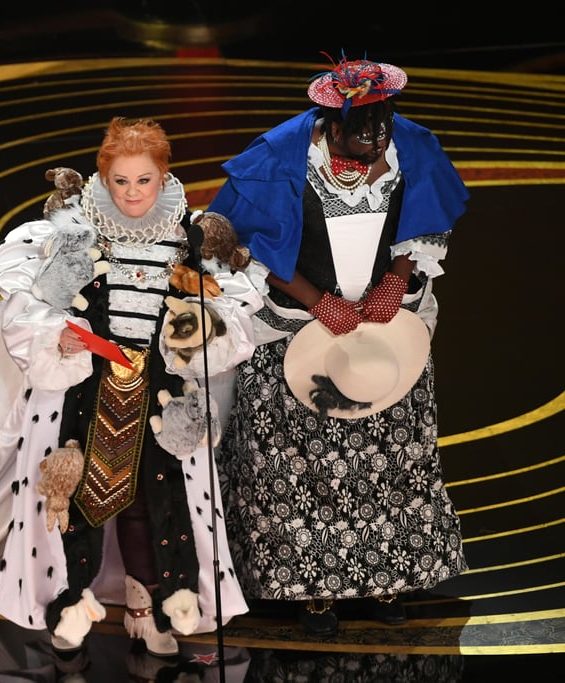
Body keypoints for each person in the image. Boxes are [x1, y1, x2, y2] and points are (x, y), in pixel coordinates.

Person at [206, 53, 470, 636]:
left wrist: (397, 280)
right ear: (329, 121)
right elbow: (239, 243)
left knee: (391, 453)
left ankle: (386, 578)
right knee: (295, 459)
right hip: (297, 325)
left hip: (383, 329)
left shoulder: (412, 148)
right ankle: (311, 588)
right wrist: (314, 300)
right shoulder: (279, 157)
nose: (375, 136)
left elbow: (429, 221)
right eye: (361, 127)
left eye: (384, 121)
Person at [0, 117, 262, 661]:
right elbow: (43, 304)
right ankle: (71, 604)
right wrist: (57, 336)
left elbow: (225, 313)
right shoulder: (75, 232)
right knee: (76, 500)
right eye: (120, 181)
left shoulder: (191, 235)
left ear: (164, 177)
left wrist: (201, 329)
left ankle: (146, 609)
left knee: (152, 504)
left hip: (159, 391)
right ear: (102, 179)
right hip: (85, 387)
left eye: (144, 181)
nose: (132, 193)